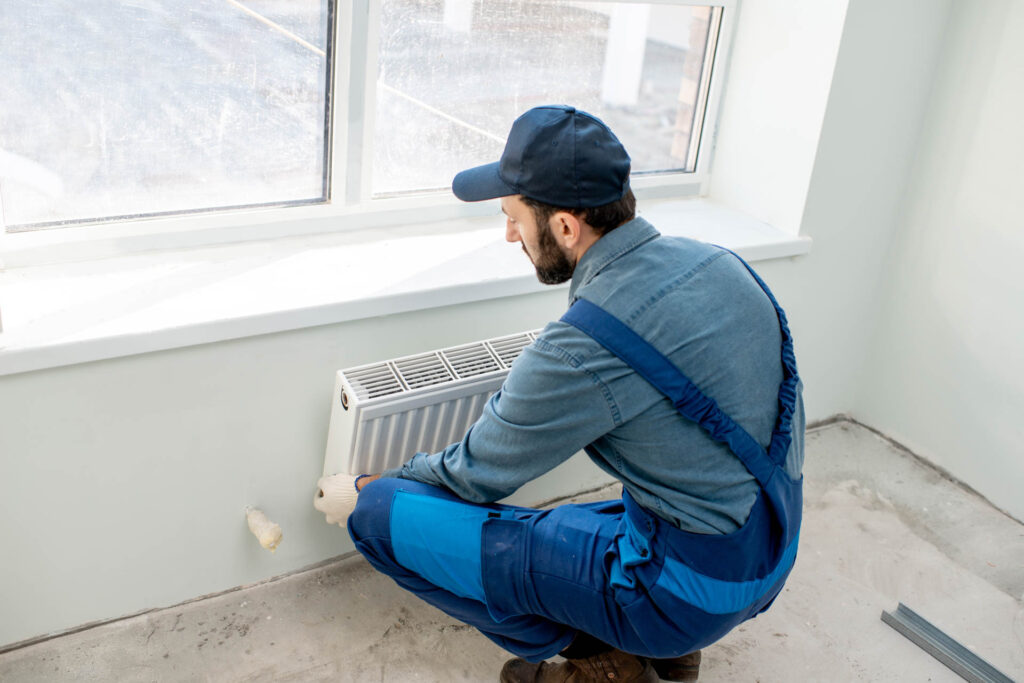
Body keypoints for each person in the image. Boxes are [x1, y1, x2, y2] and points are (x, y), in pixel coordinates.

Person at [315, 104, 805, 683]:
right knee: (568, 522)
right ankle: (672, 652)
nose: (508, 234)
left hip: (689, 592)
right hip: (769, 553)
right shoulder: (722, 264)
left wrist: (372, 485)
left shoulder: (584, 345)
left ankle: (609, 662)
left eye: (514, 218)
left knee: (379, 519)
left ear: (566, 228)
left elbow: (472, 475)